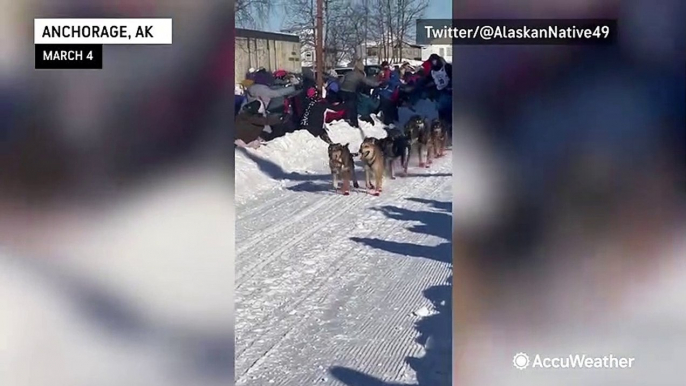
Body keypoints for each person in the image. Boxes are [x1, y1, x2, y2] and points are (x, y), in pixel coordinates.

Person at [339, 60, 381, 128]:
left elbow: (341, 81)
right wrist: (378, 84)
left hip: (342, 91)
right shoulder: (360, 75)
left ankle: (345, 116)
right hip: (351, 91)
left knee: (346, 105)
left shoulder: (348, 73)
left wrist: (341, 88)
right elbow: (368, 82)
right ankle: (354, 122)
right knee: (353, 107)